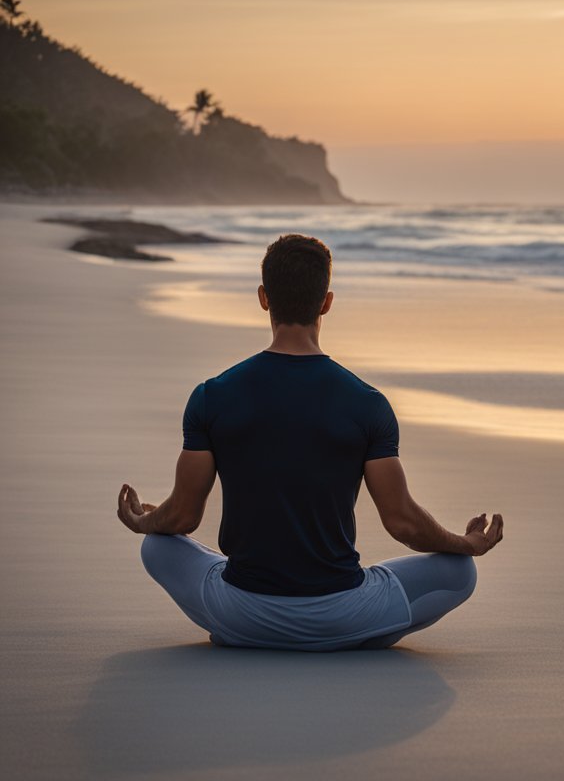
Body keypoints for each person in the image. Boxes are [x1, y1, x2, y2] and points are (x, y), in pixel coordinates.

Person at [116, 233, 504, 651]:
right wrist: (467, 544)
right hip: (340, 610)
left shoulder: (212, 395)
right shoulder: (367, 404)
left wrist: (144, 523)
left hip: (240, 610)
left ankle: (258, 632)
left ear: (264, 298)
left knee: (157, 546)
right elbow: (403, 522)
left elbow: (183, 517)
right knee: (461, 572)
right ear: (327, 302)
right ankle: (352, 634)